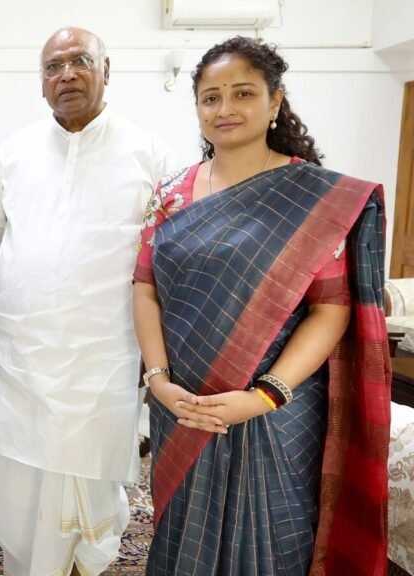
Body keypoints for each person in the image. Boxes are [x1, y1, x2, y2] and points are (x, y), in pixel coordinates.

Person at [133, 36, 390, 575]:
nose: (225, 109)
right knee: (183, 533)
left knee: (274, 538)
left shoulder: (316, 198)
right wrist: (158, 380)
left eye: (243, 93)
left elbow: (331, 309)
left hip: (278, 407)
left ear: (275, 101)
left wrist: (264, 396)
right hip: (184, 403)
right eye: (210, 97)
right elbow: (146, 287)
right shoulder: (171, 193)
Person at [0, 26, 176, 576]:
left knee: (91, 482)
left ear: (106, 69)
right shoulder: (16, 150)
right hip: (19, 350)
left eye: (80, 61)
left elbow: (169, 252)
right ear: (42, 82)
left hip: (103, 354)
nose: (67, 75)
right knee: (17, 479)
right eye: (53, 66)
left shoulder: (148, 152)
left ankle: (82, 567)